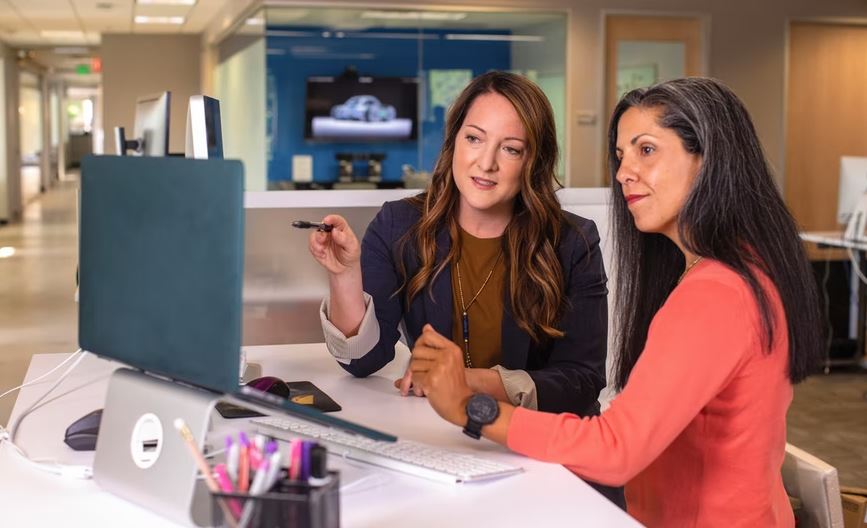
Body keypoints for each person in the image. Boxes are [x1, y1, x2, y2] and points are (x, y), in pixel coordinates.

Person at [407, 77, 824, 527]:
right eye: (622, 155)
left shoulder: (717, 293)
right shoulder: (746, 267)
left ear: (709, 159)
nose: (624, 172)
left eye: (646, 150)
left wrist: (471, 409)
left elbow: (616, 449)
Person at [307, 71, 623, 506]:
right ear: (454, 140)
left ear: (534, 160)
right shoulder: (399, 225)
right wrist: (344, 274)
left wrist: (467, 384)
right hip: (447, 451)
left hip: (544, 456)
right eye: (474, 139)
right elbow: (363, 360)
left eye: (510, 149)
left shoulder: (572, 240)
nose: (486, 163)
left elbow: (583, 381)